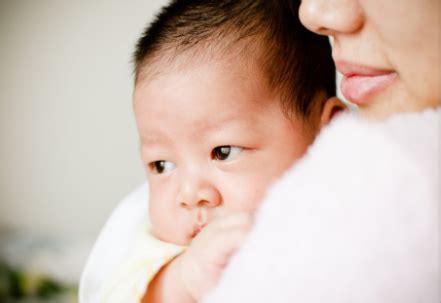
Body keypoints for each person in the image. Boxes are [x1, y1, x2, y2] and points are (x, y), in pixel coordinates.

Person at [84, 1, 344, 302]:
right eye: (162, 165)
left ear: (330, 138)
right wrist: (181, 283)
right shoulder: (162, 254)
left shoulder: (358, 214)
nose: (191, 194)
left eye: (222, 151)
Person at [204, 0, 440, 302]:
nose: (311, 13)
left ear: (328, 126)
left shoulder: (392, 179)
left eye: (223, 151)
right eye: (160, 165)